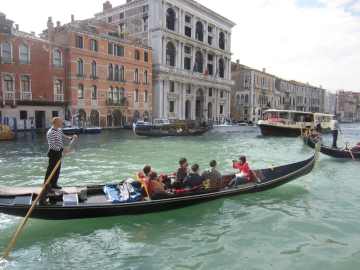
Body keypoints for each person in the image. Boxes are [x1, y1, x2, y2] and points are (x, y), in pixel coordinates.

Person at [41, 117, 76, 204]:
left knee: (57, 169)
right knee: (51, 170)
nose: (62, 122)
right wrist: (63, 149)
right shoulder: (50, 132)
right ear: (55, 122)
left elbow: (63, 135)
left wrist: (70, 138)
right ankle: (46, 187)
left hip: (59, 151)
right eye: (60, 121)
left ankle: (54, 184)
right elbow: (52, 145)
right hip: (53, 152)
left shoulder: (59, 130)